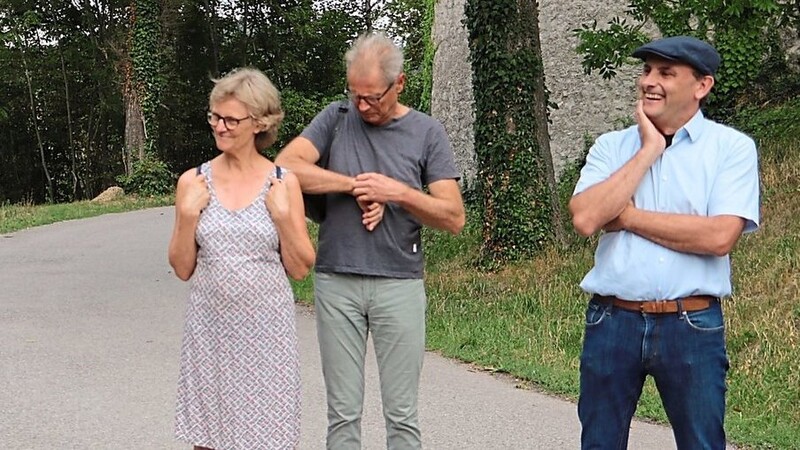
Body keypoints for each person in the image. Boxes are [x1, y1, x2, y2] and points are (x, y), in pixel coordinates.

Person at [568, 36, 760, 449]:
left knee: (702, 443)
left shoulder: (732, 150)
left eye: (666, 73)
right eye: (647, 70)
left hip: (691, 325)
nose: (649, 82)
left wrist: (628, 216)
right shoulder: (612, 146)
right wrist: (648, 150)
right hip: (611, 321)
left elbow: (719, 236)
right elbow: (586, 218)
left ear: (701, 86)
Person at [275, 32, 465, 449]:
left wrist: (395, 192)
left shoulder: (427, 132)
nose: (362, 106)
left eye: (372, 97)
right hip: (336, 281)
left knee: (401, 416)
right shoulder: (337, 117)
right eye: (355, 94)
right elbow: (284, 168)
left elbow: (453, 216)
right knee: (342, 414)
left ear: (399, 84)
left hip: (399, 283)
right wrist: (355, 185)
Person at [168, 67, 315, 450]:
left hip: (267, 334)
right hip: (210, 332)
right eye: (215, 116)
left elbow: (300, 268)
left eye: (231, 119)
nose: (220, 126)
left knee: (269, 437)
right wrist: (186, 216)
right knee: (209, 439)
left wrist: (283, 217)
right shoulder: (193, 182)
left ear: (260, 123)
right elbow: (183, 267)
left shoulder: (283, 182)